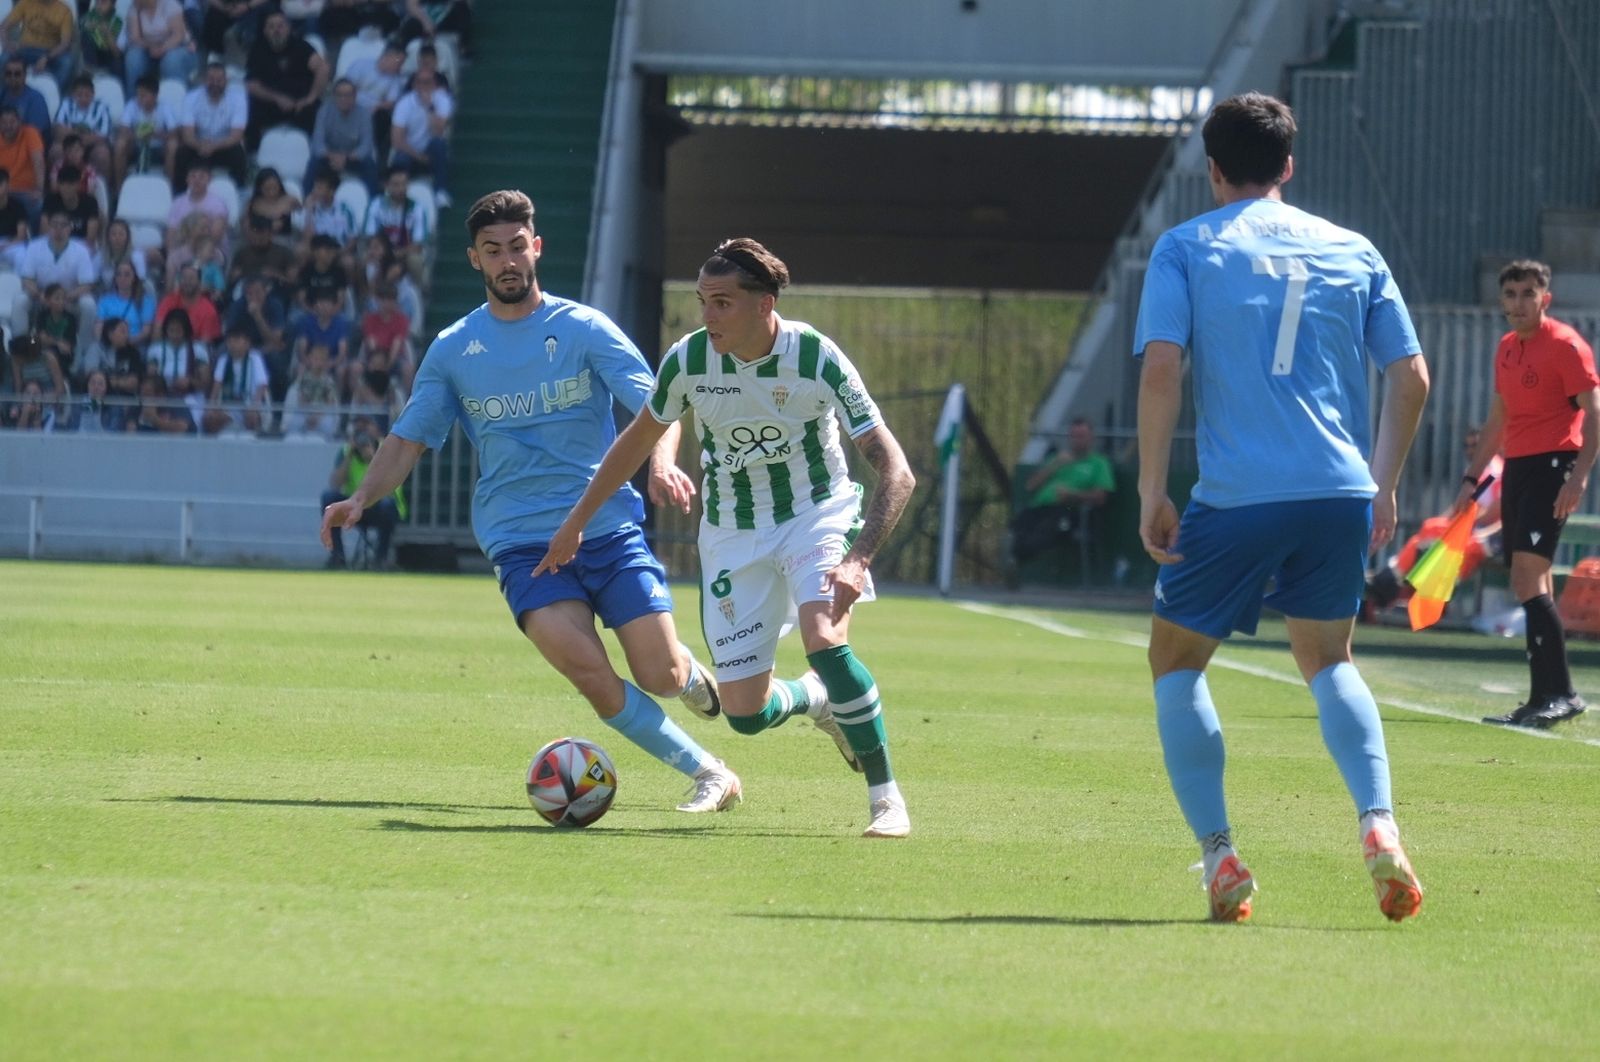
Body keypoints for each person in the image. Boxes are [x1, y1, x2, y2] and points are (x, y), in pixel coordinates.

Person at [320, 188, 744, 815]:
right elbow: (408, 440)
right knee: (587, 669)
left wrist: (659, 460)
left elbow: (663, 403)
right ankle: (710, 773)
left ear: (536, 247)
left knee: (657, 672)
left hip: (607, 530)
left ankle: (687, 676)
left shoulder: (583, 329)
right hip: (522, 543)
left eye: (517, 246)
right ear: (475, 260)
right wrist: (361, 497)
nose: (508, 260)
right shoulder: (454, 348)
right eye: (493, 251)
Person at [1133, 93, 1430, 923]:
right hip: (1337, 492)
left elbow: (1163, 370)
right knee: (1330, 659)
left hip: (1236, 498)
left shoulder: (1185, 248)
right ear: (1289, 166)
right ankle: (1378, 825)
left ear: (1213, 168)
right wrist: (1382, 481)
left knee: (1177, 662)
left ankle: (1221, 855)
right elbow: (1411, 377)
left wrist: (1154, 489)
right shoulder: (1354, 249)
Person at [539, 237, 918, 838]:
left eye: (722, 303)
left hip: (815, 515)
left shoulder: (815, 357)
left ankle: (886, 800)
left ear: (764, 304)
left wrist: (859, 558)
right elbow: (639, 437)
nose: (707, 316)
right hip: (732, 534)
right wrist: (577, 520)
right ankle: (817, 700)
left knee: (825, 635)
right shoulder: (689, 361)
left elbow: (895, 470)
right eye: (702, 302)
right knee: (743, 712)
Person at [1458, 259, 1599, 729]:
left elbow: (1593, 412)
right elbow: (1498, 422)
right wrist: (1470, 482)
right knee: (1527, 583)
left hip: (1553, 466)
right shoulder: (1506, 348)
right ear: (1502, 301)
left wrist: (1579, 476)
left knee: (1527, 577)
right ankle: (1543, 697)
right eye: (1511, 294)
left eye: (1527, 293)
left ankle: (1561, 693)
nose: (1519, 303)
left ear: (1545, 298)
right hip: (1518, 468)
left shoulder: (1564, 345)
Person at [1366, 429, 1503, 616]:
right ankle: (1399, 583)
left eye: (1475, 446)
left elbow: (1496, 509)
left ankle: (1396, 584)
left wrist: (1458, 523)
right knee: (1426, 535)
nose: (1470, 450)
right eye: (1467, 446)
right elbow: (1462, 506)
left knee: (1442, 542)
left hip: (1487, 534)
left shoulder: (1494, 471)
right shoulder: (1479, 472)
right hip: (1471, 528)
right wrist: (1450, 521)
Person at [1008, 415, 1117, 576]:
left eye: (1082, 436)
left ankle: (1014, 560)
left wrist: (1072, 495)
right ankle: (1011, 557)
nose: (1077, 440)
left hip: (1072, 511)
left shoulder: (1099, 463)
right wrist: (1055, 465)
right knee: (1016, 528)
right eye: (1074, 436)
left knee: (1046, 531)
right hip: (1040, 507)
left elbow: (1101, 496)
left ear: (1091, 438)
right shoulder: (1057, 459)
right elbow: (1030, 486)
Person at [243, 11, 328, 149]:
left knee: (315, 111)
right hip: (271, 103)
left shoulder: (301, 46)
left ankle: (314, 153)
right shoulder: (257, 50)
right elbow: (251, 84)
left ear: (288, 28)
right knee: (249, 109)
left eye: (280, 26)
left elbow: (323, 69)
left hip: (301, 104)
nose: (276, 30)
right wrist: (277, 98)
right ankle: (253, 156)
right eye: (271, 26)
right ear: (265, 31)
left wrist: (310, 98)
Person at [175, 61, 249, 188]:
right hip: (199, 145)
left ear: (226, 81)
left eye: (219, 80)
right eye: (211, 79)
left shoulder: (238, 99)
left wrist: (214, 146)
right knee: (182, 153)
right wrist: (201, 145)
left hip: (224, 145)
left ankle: (239, 191)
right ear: (204, 80)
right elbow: (187, 135)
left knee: (238, 154)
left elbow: (236, 135)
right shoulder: (191, 98)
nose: (215, 83)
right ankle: (180, 194)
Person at [388, 66, 451, 208]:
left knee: (439, 145)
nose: (423, 86)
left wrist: (429, 107)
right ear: (414, 84)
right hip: (409, 151)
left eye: (427, 82)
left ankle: (440, 191)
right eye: (420, 82)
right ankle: (397, 194)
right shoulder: (404, 104)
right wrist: (418, 156)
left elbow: (439, 132)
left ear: (434, 84)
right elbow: (397, 140)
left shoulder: (442, 100)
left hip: (430, 150)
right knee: (400, 158)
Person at [308, 77, 377, 193]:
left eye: (348, 95)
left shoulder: (364, 114)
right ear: (334, 96)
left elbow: (366, 145)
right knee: (314, 162)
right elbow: (317, 143)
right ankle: (306, 199)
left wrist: (346, 157)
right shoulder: (324, 111)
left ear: (355, 96)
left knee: (369, 164)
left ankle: (373, 201)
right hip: (329, 157)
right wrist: (332, 156)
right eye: (340, 95)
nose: (344, 99)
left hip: (353, 158)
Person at [114, 74, 179, 188]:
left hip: (159, 148)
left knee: (173, 145)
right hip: (136, 146)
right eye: (138, 94)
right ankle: (120, 188)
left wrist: (155, 135)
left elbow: (174, 133)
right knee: (120, 143)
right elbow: (123, 130)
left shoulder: (165, 107)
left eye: (144, 95)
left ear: (155, 95)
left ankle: (169, 186)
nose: (140, 98)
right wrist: (138, 135)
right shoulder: (132, 105)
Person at [121, 0, 196, 98]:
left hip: (177, 46)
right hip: (149, 48)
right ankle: (134, 100)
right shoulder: (134, 7)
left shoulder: (170, 4)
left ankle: (175, 99)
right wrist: (151, 47)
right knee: (133, 57)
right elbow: (135, 38)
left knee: (171, 60)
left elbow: (178, 35)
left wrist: (162, 48)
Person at [0, 0, 76, 90]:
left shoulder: (64, 10)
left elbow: (65, 43)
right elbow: (3, 27)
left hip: (50, 52)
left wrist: (46, 58)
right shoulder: (26, 3)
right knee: (4, 57)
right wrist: (6, 43)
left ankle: (55, 95)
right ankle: (4, 93)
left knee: (66, 62)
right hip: (25, 48)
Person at [52, 75, 114, 180]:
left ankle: (101, 191)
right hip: (69, 143)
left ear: (93, 94)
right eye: (79, 95)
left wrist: (78, 139)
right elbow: (58, 128)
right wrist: (78, 142)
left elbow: (103, 135)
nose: (83, 98)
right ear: (73, 94)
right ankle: (57, 187)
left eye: (87, 95)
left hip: (92, 146)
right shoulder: (66, 104)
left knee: (102, 154)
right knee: (56, 150)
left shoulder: (101, 108)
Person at [79, 0, 125, 80]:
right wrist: (89, 25)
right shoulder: (90, 15)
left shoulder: (117, 21)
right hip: (93, 53)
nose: (99, 5)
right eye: (97, 2)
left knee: (118, 62)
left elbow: (117, 53)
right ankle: (90, 71)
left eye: (103, 2)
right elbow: (82, 23)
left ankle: (116, 86)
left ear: (112, 5)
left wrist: (107, 32)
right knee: (85, 35)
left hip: (109, 53)